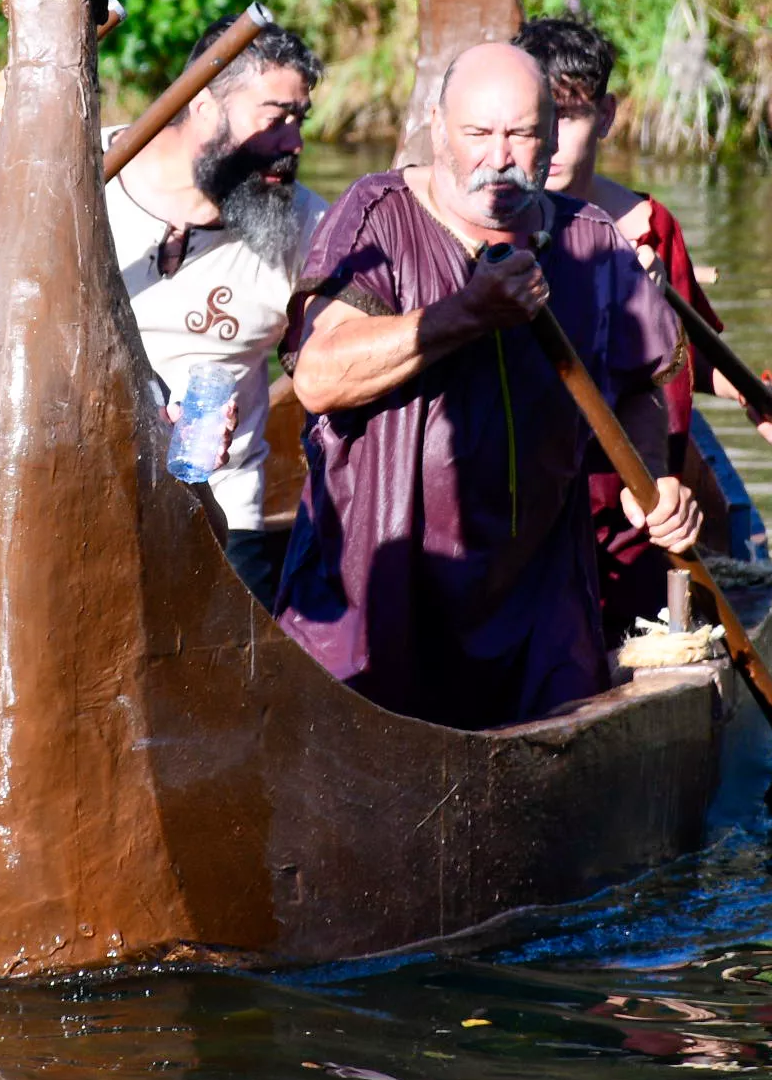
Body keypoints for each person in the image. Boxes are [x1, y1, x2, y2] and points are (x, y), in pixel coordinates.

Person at [272, 42, 702, 730]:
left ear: (552, 138)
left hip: (539, 613)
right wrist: (466, 315)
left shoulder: (591, 240)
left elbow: (638, 388)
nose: (498, 156)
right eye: (477, 133)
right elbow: (320, 379)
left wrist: (650, 482)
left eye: (521, 134)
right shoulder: (377, 216)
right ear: (439, 130)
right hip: (377, 599)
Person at [513, 13, 772, 636]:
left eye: (569, 118)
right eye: (539, 119)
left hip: (650, 500)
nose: (551, 140)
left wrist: (760, 398)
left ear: (607, 116)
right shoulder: (502, 227)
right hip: (551, 499)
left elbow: (688, 354)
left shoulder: (650, 225)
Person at [103, 15, 328, 595]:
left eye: (299, 120)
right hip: (87, 502)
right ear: (203, 106)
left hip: (226, 523)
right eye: (274, 118)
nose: (293, 143)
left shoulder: (306, 224)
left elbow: (334, 367)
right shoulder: (83, 177)